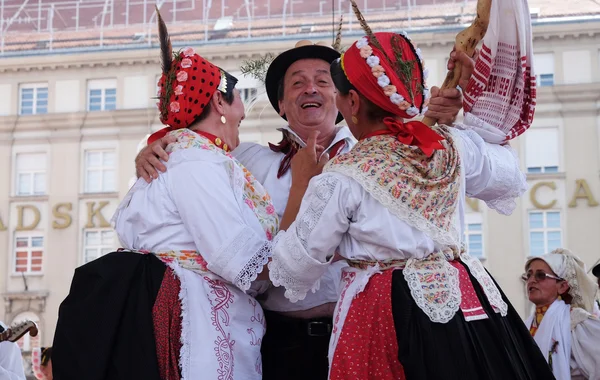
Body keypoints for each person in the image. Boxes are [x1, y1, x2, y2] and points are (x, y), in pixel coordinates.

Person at [136, 40, 464, 380]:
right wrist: (155, 149)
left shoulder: (377, 155)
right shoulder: (245, 161)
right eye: (297, 82)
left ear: (344, 99)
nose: (311, 88)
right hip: (279, 340)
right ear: (281, 103)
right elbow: (190, 166)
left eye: (323, 81)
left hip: (367, 329)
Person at [266, 19, 554, 380]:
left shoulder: (342, 174)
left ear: (352, 102)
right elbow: (508, 175)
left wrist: (305, 196)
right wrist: (460, 116)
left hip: (384, 314)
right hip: (465, 300)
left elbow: (293, 268)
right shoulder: (453, 144)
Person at [52, 13, 278, 380]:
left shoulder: (189, 155)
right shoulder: (195, 160)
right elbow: (235, 254)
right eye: (239, 99)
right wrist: (306, 257)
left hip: (191, 309)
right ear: (220, 104)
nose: (242, 112)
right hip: (194, 320)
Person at [524, 249, 600, 379]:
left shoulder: (576, 321)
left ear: (563, 286)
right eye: (529, 275)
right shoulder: (525, 324)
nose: (532, 280)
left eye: (540, 275)